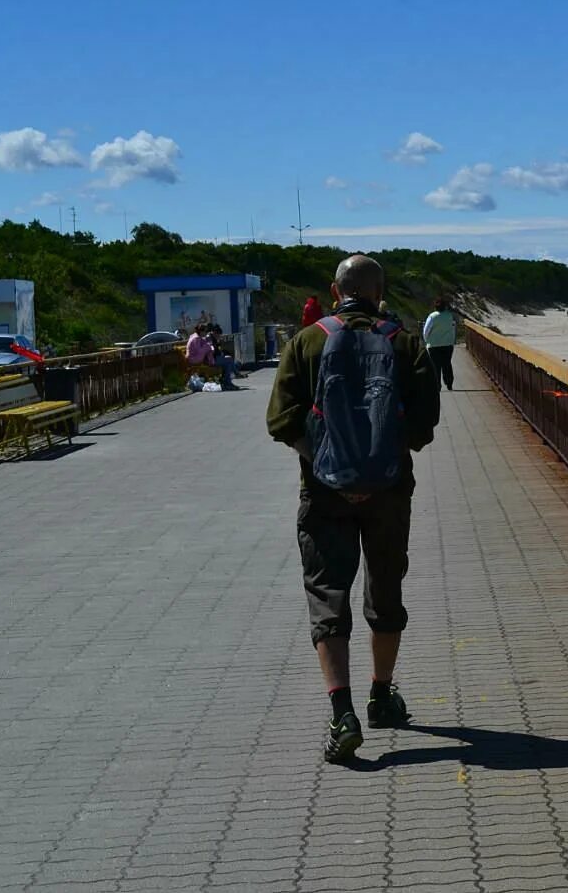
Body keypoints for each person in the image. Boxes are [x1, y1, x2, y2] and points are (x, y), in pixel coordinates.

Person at [265, 255, 440, 763]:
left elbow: (281, 421)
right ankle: (381, 695)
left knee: (327, 593)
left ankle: (342, 714)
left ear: (334, 289)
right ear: (379, 292)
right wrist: (377, 463)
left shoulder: (307, 341)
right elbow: (424, 423)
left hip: (323, 493)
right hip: (389, 493)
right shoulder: (404, 342)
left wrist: (328, 467)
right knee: (385, 591)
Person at [421, 296, 459, 391]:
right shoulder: (450, 316)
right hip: (447, 344)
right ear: (445, 306)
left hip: (434, 345)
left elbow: (426, 330)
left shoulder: (432, 317)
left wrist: (427, 341)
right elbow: (453, 329)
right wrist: (452, 340)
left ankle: (437, 385)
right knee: (447, 364)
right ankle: (449, 383)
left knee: (435, 366)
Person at [186, 323, 237, 389]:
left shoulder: (196, 337)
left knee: (228, 362)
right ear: (201, 332)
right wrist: (208, 348)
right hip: (195, 359)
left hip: (197, 358)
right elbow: (200, 352)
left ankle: (227, 381)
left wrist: (209, 347)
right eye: (205, 331)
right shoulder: (196, 339)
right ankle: (228, 381)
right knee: (228, 361)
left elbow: (204, 349)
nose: (206, 333)